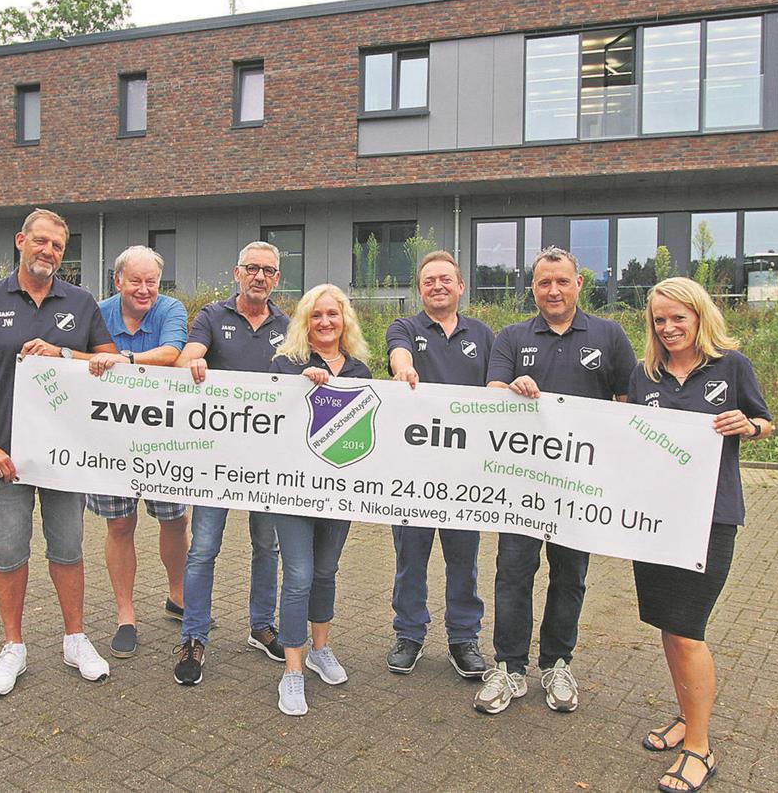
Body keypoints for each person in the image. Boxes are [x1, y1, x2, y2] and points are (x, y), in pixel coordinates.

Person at [0, 208, 119, 696]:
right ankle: (13, 647)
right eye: (41, 242)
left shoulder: (82, 302)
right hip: (5, 457)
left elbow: (107, 363)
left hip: (64, 458)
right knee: (8, 552)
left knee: (68, 549)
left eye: (58, 246)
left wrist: (65, 353)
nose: (49, 252)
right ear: (21, 241)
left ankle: (75, 639)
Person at [477, 246, 635, 715]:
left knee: (570, 576)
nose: (553, 290)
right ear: (533, 288)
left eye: (562, 281)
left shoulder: (609, 335)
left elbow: (629, 400)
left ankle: (557, 662)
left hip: (578, 486)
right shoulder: (511, 336)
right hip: (523, 484)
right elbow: (491, 392)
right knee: (512, 573)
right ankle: (509, 666)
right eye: (544, 283)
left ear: (578, 283)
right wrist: (511, 389)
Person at [629, 277, 772, 793]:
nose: (668, 328)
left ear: (699, 317)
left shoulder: (730, 366)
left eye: (677, 318)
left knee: (689, 629)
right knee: (669, 626)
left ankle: (700, 748)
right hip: (655, 519)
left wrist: (748, 426)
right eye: (659, 320)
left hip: (711, 518)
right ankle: (688, 717)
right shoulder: (644, 374)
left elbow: (765, 421)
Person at [171, 241, 290, 685]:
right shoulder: (210, 316)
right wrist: (193, 361)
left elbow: (309, 368)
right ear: (236, 273)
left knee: (268, 546)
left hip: (270, 460)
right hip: (215, 459)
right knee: (203, 548)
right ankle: (193, 635)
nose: (259, 277)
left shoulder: (289, 323)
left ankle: (262, 626)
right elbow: (188, 354)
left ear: (277, 279)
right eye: (251, 269)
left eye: (268, 271)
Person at [385, 251, 495, 679]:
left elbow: (497, 386)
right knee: (410, 558)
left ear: (461, 286)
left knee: (463, 560)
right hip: (413, 469)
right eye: (429, 280)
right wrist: (405, 368)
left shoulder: (484, 335)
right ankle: (409, 635)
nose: (437, 286)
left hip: (466, 472)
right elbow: (398, 355)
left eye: (445, 279)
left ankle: (462, 638)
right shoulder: (405, 328)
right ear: (420, 289)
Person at [267, 284, 371, 716]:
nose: (325, 322)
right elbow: (269, 418)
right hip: (291, 492)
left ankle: (320, 649)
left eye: (333, 314)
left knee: (326, 571)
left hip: (337, 495)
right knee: (299, 576)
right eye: (316, 315)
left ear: (344, 320)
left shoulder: (361, 370)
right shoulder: (284, 364)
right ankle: (291, 671)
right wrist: (300, 384)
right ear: (304, 322)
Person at [84, 245, 189, 659]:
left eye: (152, 282)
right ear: (118, 281)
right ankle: (126, 616)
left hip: (164, 440)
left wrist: (122, 359)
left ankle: (177, 596)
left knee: (176, 519)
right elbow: (79, 358)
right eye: (136, 281)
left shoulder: (171, 309)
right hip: (110, 439)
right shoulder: (97, 311)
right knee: (120, 526)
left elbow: (172, 353)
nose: (144, 290)